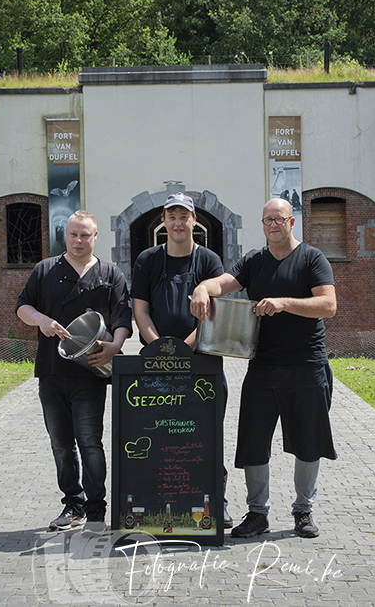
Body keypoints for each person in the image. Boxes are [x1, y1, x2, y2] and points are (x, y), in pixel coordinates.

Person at [191, 198, 337, 539]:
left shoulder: (311, 259)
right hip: (263, 365)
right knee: (253, 441)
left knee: (308, 441)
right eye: (267, 220)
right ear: (263, 225)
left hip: (306, 364)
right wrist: (202, 288)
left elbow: (328, 305)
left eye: (279, 219)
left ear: (291, 223)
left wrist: (284, 303)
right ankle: (258, 513)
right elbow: (223, 283)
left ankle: (303, 510)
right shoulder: (255, 261)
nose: (273, 224)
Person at [16, 210, 131, 531]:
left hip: (90, 372)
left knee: (89, 441)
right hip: (51, 370)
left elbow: (123, 318)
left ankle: (96, 508)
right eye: (73, 235)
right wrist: (41, 320)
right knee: (60, 443)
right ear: (64, 236)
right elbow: (23, 306)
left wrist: (114, 346)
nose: (78, 241)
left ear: (96, 237)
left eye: (85, 235)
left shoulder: (110, 274)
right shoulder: (45, 270)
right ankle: (73, 503)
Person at [130, 192, 232, 526]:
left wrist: (186, 349)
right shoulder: (147, 260)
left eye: (184, 216)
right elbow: (140, 310)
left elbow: (213, 313)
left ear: (194, 221)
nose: (178, 223)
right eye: (172, 216)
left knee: (207, 437)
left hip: (202, 363)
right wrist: (160, 349)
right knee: (160, 436)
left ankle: (217, 500)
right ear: (163, 220)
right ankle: (161, 502)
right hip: (157, 365)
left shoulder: (209, 261)